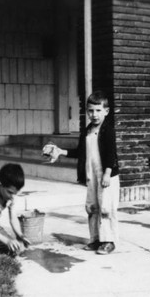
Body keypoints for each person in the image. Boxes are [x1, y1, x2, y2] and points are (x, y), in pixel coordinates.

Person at [43, 91, 120, 255]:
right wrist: (61, 151)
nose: (94, 115)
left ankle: (109, 241)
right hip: (92, 175)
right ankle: (95, 239)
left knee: (106, 208)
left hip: (106, 176)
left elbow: (111, 155)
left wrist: (107, 174)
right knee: (92, 207)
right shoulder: (87, 131)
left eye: (98, 111)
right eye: (91, 111)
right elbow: (80, 152)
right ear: (87, 111)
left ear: (106, 111)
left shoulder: (108, 131)